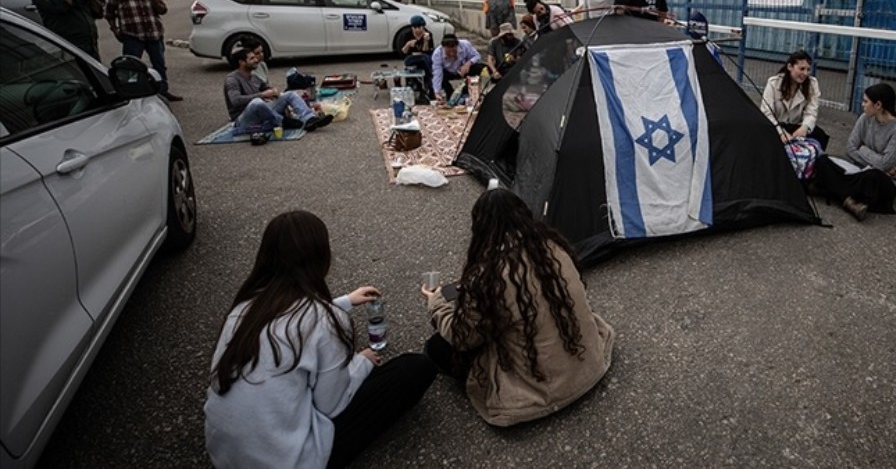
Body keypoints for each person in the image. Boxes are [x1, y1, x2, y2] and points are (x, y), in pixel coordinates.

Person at [205, 210, 437, 469]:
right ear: (322, 258)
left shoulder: (244, 307)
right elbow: (331, 405)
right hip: (290, 462)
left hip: (224, 456)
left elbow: (289, 320)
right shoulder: (324, 321)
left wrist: (345, 302)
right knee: (416, 368)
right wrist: (362, 362)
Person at [422, 189, 614, 427]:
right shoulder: (553, 245)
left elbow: (463, 337)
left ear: (480, 229)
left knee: (438, 347)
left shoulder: (487, 277)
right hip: (590, 366)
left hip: (542, 394)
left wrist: (436, 303)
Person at [811, 83, 896, 221]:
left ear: (878, 105)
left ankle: (831, 189)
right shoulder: (865, 118)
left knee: (872, 177)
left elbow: (884, 164)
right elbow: (850, 148)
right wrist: (876, 161)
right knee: (822, 160)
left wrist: (863, 149)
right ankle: (848, 200)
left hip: (883, 179)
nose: (862, 104)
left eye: (865, 101)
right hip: (859, 170)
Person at [105, 0, 182, 101]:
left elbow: (163, 10)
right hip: (132, 34)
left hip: (154, 33)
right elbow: (109, 12)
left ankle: (163, 91)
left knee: (159, 65)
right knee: (131, 66)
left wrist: (157, 2)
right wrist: (115, 30)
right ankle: (133, 94)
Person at [224, 45, 332, 144]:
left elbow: (266, 88)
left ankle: (309, 119)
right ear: (241, 62)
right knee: (257, 102)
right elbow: (236, 101)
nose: (256, 60)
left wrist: (274, 92)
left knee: (289, 94)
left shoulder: (253, 77)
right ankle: (283, 122)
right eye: (251, 58)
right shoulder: (232, 79)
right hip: (243, 120)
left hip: (262, 113)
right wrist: (262, 95)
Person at [760, 50, 828, 149]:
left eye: (808, 69)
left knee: (820, 135)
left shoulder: (812, 84)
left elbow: (811, 112)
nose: (805, 73)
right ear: (789, 67)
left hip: (796, 127)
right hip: (775, 126)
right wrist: (780, 133)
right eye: (802, 69)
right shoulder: (773, 83)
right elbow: (766, 112)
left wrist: (805, 127)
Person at [431, 33, 486, 103]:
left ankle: (468, 92)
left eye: (454, 51)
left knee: (479, 67)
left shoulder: (465, 45)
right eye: (448, 52)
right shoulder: (437, 54)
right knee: (436, 76)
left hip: (463, 70)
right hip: (448, 72)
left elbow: (477, 56)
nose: (451, 54)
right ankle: (450, 95)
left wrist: (468, 64)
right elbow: (437, 74)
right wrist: (437, 92)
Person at [395, 15, 435, 98]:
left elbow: (426, 50)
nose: (417, 30)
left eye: (419, 27)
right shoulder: (407, 35)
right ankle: (423, 83)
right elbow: (403, 52)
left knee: (425, 59)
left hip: (424, 57)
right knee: (416, 60)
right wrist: (408, 44)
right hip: (411, 57)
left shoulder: (428, 34)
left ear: (423, 27)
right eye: (415, 27)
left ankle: (429, 85)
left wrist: (426, 41)